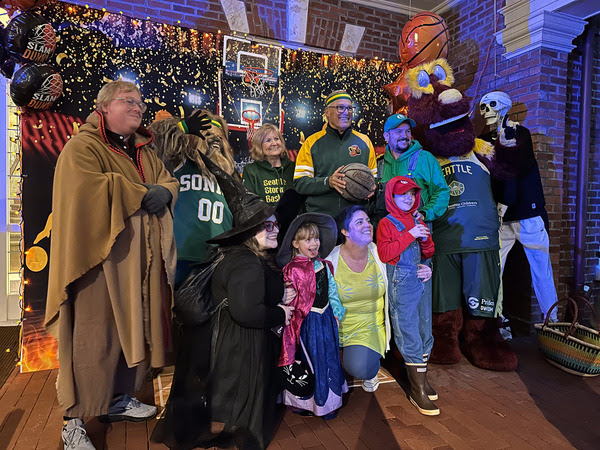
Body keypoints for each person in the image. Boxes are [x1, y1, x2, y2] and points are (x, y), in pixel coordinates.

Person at [45, 80, 179, 450]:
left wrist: (165, 191)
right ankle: (73, 421)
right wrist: (142, 192)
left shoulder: (143, 151)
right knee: (94, 338)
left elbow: (166, 180)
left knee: (132, 331)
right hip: (99, 267)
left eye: (140, 102)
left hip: (139, 265)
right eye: (128, 102)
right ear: (103, 107)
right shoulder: (82, 147)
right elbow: (84, 189)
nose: (138, 108)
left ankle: (118, 399)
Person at [151, 153, 295, 450]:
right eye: (266, 226)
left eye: (275, 224)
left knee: (225, 407)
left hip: (230, 346)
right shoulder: (247, 264)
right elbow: (247, 313)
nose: (275, 230)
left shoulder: (239, 256)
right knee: (228, 412)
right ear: (248, 231)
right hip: (238, 347)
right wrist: (281, 313)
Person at [479, 91, 558, 323]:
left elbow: (515, 167)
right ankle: (493, 318)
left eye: (490, 105)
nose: (485, 112)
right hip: (503, 216)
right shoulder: (486, 139)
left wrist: (505, 202)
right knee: (494, 268)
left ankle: (552, 321)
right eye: (483, 107)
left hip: (525, 213)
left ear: (503, 107)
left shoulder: (519, 133)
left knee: (540, 269)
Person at [148, 110, 235, 286]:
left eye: (219, 137)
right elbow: (153, 137)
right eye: (208, 134)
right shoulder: (179, 162)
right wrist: (182, 127)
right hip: (183, 253)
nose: (215, 140)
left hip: (220, 257)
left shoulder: (229, 176)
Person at [376, 176, 438, 416]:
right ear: (391, 197)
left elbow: (429, 251)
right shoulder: (386, 223)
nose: (408, 198)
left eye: (412, 194)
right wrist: (411, 234)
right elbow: (385, 253)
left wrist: (427, 261)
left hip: (421, 279)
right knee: (409, 332)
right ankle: (417, 390)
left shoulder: (417, 219)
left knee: (425, 330)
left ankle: (421, 380)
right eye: (402, 194)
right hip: (401, 283)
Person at [277, 213, 348, 419]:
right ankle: (307, 401)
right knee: (310, 360)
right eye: (308, 239)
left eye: (316, 238)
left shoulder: (325, 265)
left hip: (325, 320)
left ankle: (328, 402)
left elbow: (332, 291)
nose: (314, 243)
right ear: (295, 244)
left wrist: (336, 311)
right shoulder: (291, 269)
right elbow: (289, 298)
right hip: (306, 324)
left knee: (328, 358)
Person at [326, 205, 390, 393]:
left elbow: (404, 269)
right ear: (344, 231)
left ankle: (370, 367)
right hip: (338, 326)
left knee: (360, 368)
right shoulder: (331, 258)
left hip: (369, 327)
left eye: (368, 221)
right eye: (359, 222)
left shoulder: (380, 253)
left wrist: (423, 269)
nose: (367, 225)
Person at [294, 89, 377, 217]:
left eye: (349, 108)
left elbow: (374, 179)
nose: (346, 112)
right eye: (340, 108)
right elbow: (300, 183)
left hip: (355, 220)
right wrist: (328, 182)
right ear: (327, 112)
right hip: (322, 219)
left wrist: (372, 187)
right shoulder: (311, 143)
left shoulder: (364, 142)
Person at [378, 113, 449, 223]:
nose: (405, 136)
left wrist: (426, 213)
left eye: (408, 131)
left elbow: (441, 191)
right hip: (386, 236)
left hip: (417, 234)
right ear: (386, 136)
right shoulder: (379, 164)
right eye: (398, 132)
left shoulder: (425, 158)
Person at [242, 123, 295, 205]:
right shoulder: (251, 171)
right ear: (259, 146)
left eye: (277, 139)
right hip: (265, 217)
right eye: (268, 140)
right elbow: (249, 204)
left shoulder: (293, 168)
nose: (274, 143)